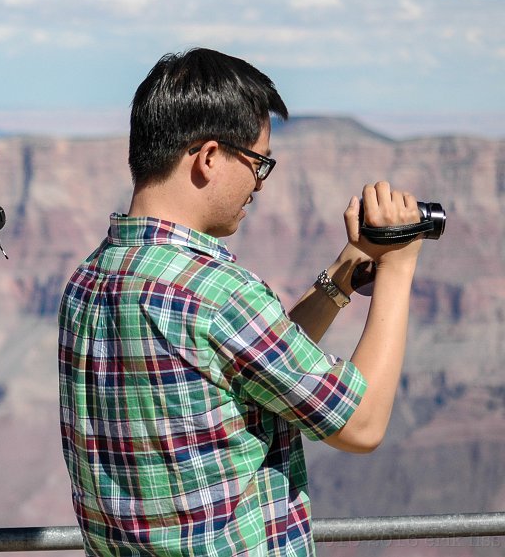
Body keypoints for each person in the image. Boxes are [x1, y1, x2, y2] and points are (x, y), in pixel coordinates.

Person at [58, 48, 424, 556]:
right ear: (209, 157)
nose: (259, 182)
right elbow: (360, 424)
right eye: (258, 162)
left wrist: (342, 276)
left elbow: (250, 365)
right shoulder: (216, 292)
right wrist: (400, 265)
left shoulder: (89, 279)